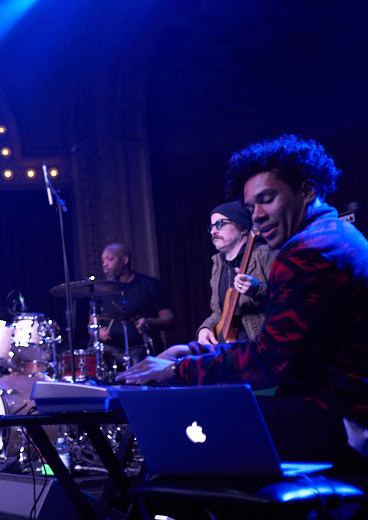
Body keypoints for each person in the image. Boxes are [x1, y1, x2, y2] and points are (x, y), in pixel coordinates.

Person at [117, 135, 368, 471]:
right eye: (251, 208)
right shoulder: (336, 235)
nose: (258, 216)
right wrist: (192, 351)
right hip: (341, 411)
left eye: (267, 200)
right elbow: (278, 350)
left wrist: (179, 369)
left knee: (186, 424)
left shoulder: (308, 251)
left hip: (344, 420)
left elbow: (269, 363)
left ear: (307, 191)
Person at [195, 201, 276, 345]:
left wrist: (258, 289)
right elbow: (219, 313)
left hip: (265, 346)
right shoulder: (218, 264)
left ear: (243, 228)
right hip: (233, 351)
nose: (213, 231)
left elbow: (292, 297)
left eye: (219, 224)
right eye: (211, 226)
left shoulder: (265, 254)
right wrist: (205, 328)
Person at [96, 243, 175, 364]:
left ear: (125, 260)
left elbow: (169, 318)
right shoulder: (101, 291)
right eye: (103, 260)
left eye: (110, 259)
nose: (105, 264)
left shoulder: (149, 284)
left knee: (138, 357)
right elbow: (91, 326)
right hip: (111, 351)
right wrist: (98, 331)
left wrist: (150, 322)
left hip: (141, 348)